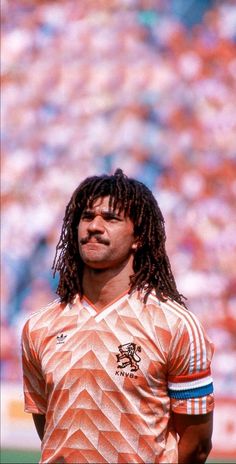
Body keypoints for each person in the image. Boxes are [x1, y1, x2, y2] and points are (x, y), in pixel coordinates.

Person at [21, 169, 214, 464]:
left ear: (138, 237)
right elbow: (49, 426)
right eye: (87, 217)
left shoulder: (176, 325)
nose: (94, 227)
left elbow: (196, 446)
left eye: (110, 218)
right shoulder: (39, 326)